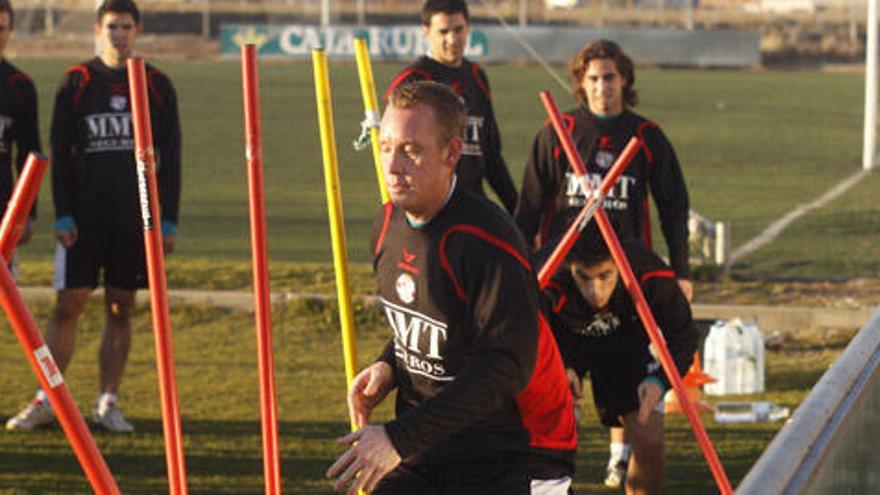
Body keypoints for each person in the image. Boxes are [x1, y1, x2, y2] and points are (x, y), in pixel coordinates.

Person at [326, 81, 576, 494]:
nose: (392, 166)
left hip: (514, 454)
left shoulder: (488, 240)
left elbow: (505, 367)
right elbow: (431, 320)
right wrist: (388, 367)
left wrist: (398, 438)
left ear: (452, 153)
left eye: (411, 149)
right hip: (429, 450)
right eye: (386, 146)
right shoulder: (386, 225)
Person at [514, 39, 692, 483]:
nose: (601, 87)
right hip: (565, 282)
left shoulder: (645, 137)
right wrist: (517, 271)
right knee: (543, 408)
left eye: (609, 77)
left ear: (625, 79)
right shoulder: (558, 132)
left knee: (638, 407)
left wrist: (682, 270)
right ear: (580, 83)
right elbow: (530, 207)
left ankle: (624, 452)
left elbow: (674, 205)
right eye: (592, 78)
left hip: (627, 285)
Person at [5, 0, 181, 433]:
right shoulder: (76, 82)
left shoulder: (156, 84)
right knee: (69, 305)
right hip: (83, 219)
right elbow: (57, 154)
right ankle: (48, 398)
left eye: (126, 27)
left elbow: (171, 157)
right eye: (111, 27)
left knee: (122, 307)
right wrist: (62, 213)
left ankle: (108, 402)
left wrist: (168, 219)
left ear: (137, 30)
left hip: (133, 219)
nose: (118, 34)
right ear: (97, 30)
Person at [540, 227, 700, 495]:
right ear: (570, 268)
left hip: (628, 348)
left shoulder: (650, 274)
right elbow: (520, 333)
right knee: (547, 436)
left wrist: (660, 381)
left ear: (619, 264)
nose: (596, 290)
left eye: (605, 276)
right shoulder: (544, 275)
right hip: (562, 346)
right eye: (584, 277)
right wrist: (557, 367)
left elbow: (683, 336)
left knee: (650, 439)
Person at [383, 0, 517, 214]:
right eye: (443, 31)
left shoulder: (476, 77)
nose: (452, 39)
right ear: (426, 32)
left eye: (458, 29)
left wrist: (516, 209)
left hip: (472, 203)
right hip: (431, 208)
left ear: (468, 27)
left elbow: (491, 155)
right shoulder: (413, 81)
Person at [0, 0, 41, 252]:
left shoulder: (19, 86)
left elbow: (29, 154)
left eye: (1, 28)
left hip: (2, 211)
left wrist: (28, 211)